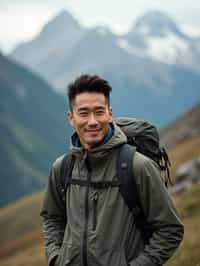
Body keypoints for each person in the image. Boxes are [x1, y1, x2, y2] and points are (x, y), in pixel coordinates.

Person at [40, 74, 184, 266]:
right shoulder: (63, 167)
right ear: (71, 117)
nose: (92, 121)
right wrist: (56, 257)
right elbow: (52, 217)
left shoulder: (138, 166)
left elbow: (171, 229)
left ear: (109, 113)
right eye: (83, 113)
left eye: (99, 112)